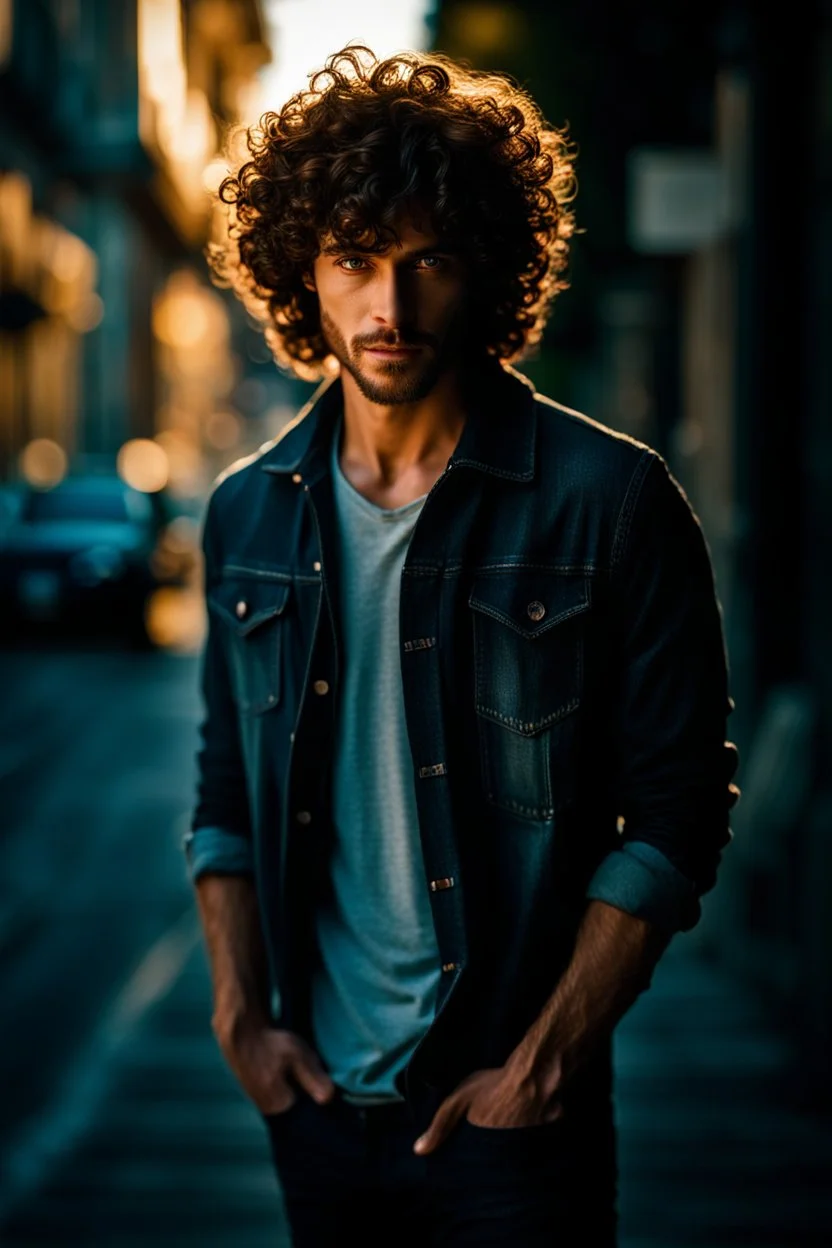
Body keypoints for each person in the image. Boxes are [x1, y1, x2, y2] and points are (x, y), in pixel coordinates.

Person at [183, 43, 739, 1247]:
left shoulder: (611, 502)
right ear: (301, 274)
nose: (390, 308)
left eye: (428, 259)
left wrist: (546, 1063)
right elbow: (226, 789)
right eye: (354, 261)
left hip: (511, 1120)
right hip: (317, 1108)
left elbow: (678, 811)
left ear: (486, 266)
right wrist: (242, 1016)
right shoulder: (248, 511)